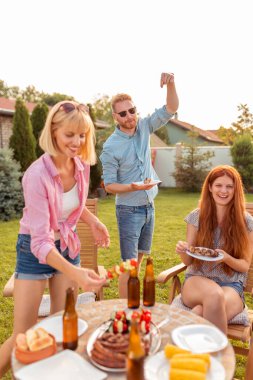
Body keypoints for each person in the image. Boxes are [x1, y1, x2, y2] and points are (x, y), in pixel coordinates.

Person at [0, 100, 110, 377]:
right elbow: (40, 242)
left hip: (67, 245)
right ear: (53, 132)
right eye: (69, 135)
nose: (77, 142)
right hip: (34, 250)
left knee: (63, 324)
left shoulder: (81, 166)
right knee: (22, 335)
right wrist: (77, 273)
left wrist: (93, 221)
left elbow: (72, 203)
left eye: (82, 135)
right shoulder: (36, 175)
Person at [100, 72, 179, 298]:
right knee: (129, 265)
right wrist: (133, 188)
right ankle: (126, 312)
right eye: (123, 113)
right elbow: (109, 185)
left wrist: (171, 84)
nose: (129, 116)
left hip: (148, 207)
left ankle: (135, 304)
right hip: (128, 210)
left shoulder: (144, 127)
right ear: (115, 117)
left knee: (140, 260)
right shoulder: (111, 146)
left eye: (132, 110)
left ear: (136, 110)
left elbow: (171, 108)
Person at [176, 165, 253, 334]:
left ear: (235, 190)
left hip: (231, 285)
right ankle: (220, 358)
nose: (223, 191)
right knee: (214, 295)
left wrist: (226, 258)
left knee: (198, 313)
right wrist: (183, 250)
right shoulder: (197, 216)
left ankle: (195, 355)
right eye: (218, 185)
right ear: (210, 187)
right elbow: (188, 261)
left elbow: (244, 266)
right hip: (197, 280)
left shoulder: (246, 221)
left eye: (229, 186)